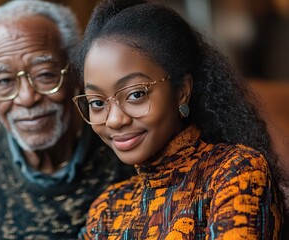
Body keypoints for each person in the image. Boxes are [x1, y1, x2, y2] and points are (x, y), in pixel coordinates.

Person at [71, 0, 285, 239]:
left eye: (136, 94)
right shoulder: (108, 209)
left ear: (182, 90)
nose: (114, 120)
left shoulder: (234, 174)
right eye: (97, 103)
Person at [0, 0, 134, 239]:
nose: (27, 98)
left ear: (76, 74)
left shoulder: (123, 148)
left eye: (45, 75)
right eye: (5, 81)